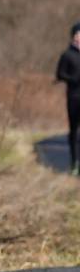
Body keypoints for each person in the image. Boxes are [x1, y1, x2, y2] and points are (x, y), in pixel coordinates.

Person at [55, 22, 80, 174]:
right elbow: (59, 74)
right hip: (74, 97)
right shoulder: (67, 55)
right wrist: (73, 78)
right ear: (73, 36)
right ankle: (74, 162)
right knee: (74, 131)